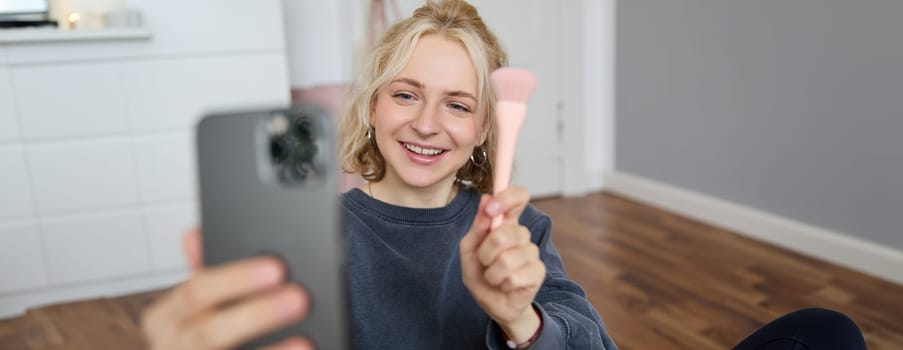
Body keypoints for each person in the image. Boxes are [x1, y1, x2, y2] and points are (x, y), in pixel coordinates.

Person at [142, 1, 868, 349]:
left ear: (484, 128)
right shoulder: (319, 241)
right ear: (370, 107)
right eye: (405, 94)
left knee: (822, 332)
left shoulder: (516, 234)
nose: (428, 124)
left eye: (458, 105)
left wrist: (520, 316)